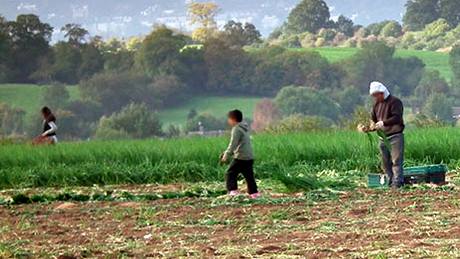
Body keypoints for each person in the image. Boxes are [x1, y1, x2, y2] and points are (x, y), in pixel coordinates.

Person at [368, 81, 405, 188]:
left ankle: (397, 182)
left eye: (376, 95)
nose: (375, 98)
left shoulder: (395, 102)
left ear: (382, 92)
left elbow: (397, 117)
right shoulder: (376, 105)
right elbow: (373, 119)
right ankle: (389, 180)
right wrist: (370, 126)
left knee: (396, 160)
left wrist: (384, 123)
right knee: (385, 162)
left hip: (395, 136)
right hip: (383, 137)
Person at [221, 109, 260, 198]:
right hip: (249, 157)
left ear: (233, 119)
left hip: (241, 157)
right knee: (249, 175)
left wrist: (226, 155)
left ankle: (233, 191)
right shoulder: (244, 128)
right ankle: (254, 193)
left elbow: (233, 144)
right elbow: (241, 144)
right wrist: (227, 152)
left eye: (229, 119)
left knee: (230, 172)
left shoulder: (236, 129)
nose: (228, 121)